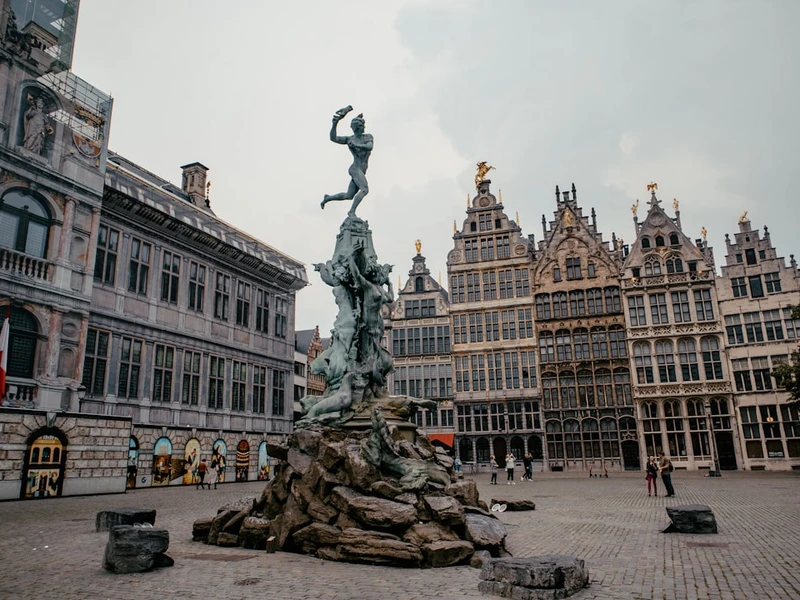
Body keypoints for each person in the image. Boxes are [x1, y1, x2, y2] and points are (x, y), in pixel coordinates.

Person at [321, 107, 374, 217]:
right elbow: (333, 138)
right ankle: (351, 212)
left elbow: (369, 147)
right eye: (361, 125)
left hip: (362, 170)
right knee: (364, 189)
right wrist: (335, 124)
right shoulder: (350, 139)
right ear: (357, 128)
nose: (364, 127)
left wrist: (356, 145)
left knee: (349, 195)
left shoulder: (367, 137)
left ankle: (328, 198)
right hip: (355, 169)